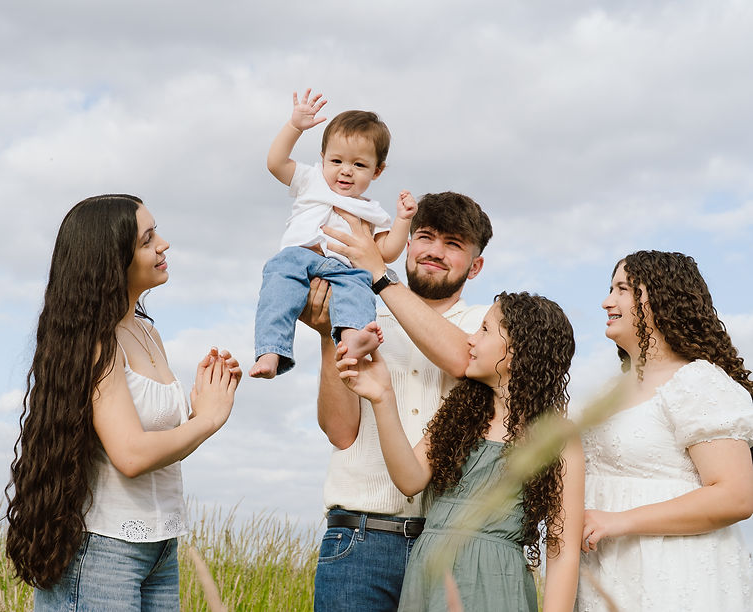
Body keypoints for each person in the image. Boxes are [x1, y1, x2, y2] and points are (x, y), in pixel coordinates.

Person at [5, 194, 242, 610]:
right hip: (103, 551)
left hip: (160, 547)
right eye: (147, 240)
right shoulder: (98, 342)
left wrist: (206, 398)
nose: (163, 245)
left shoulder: (148, 334)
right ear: (112, 261)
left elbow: (157, 441)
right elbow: (130, 455)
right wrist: (206, 420)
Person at [300, 191, 493, 611]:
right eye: (425, 237)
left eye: (453, 244)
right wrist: (329, 335)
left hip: (447, 545)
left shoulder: (485, 327)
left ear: (475, 266)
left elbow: (462, 360)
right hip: (358, 540)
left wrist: (379, 273)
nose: (435, 252)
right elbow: (340, 432)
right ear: (407, 244)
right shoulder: (360, 316)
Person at [337, 292, 584, 611]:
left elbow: (562, 549)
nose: (470, 339)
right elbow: (409, 479)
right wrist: (382, 396)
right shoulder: (461, 412)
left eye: (485, 329)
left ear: (517, 351)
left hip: (497, 584)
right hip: (430, 577)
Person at [577, 250, 753, 610]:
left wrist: (618, 521)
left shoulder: (696, 382)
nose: (607, 302)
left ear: (662, 299)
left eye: (623, 289)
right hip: (606, 571)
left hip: (673, 573)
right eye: (610, 289)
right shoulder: (609, 392)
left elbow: (736, 496)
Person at [249, 88, 417, 379]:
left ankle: (353, 340)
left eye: (359, 165)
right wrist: (294, 127)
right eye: (337, 161)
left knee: (359, 290)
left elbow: (387, 252)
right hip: (298, 256)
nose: (346, 171)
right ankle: (271, 351)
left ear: (377, 171)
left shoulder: (372, 211)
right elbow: (275, 163)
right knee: (277, 286)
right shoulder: (310, 179)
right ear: (323, 158)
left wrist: (403, 220)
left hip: (344, 269)